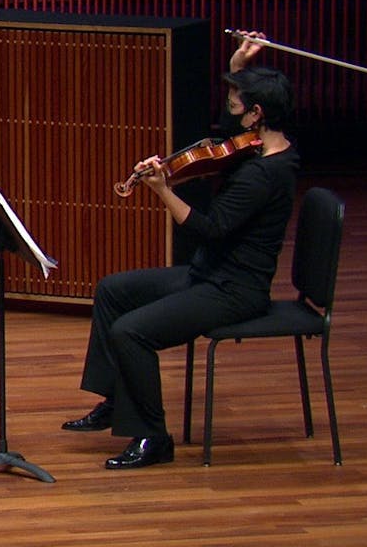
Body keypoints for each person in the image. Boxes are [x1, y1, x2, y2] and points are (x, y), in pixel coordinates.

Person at [61, 31, 299, 469]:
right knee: (113, 290)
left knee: (130, 331)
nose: (229, 109)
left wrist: (163, 189)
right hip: (211, 274)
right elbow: (228, 133)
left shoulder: (262, 176)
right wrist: (239, 63)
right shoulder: (260, 149)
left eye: (236, 101)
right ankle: (117, 399)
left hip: (233, 289)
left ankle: (154, 438)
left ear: (257, 114)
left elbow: (208, 229)